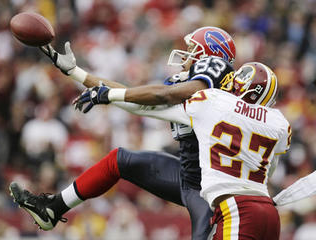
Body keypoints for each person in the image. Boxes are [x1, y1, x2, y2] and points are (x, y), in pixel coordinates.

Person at [9, 26, 236, 240]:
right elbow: (135, 98)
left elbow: (157, 97)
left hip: (212, 188)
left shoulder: (213, 94)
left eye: (191, 52)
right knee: (119, 160)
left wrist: (108, 96)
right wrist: (75, 72)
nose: (185, 57)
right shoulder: (188, 91)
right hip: (188, 177)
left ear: (211, 60)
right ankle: (53, 208)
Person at [74, 61, 293, 239]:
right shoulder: (278, 122)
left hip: (236, 208)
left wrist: (107, 95)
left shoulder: (213, 100)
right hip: (269, 212)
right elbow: (269, 170)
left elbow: (157, 102)